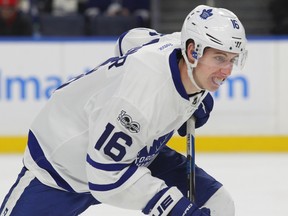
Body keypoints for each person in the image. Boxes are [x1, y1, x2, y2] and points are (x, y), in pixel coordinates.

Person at [0, 4, 247, 216]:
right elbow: (104, 178)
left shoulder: (176, 46)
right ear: (193, 51)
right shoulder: (141, 100)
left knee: (218, 204)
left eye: (231, 59)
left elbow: (129, 39)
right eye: (219, 58)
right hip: (60, 169)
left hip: (129, 151)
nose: (226, 71)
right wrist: (174, 207)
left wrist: (192, 98)